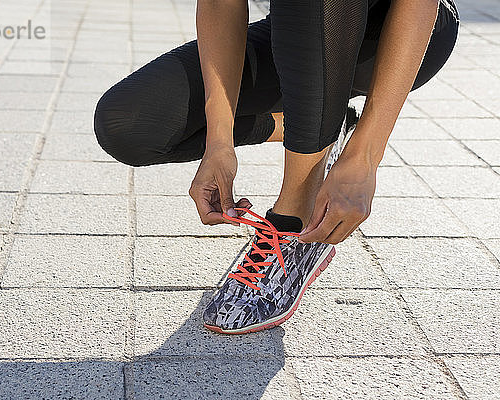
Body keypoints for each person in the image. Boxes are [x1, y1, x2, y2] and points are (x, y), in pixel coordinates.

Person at [94, 0, 459, 334]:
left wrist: (365, 156)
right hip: (299, 36)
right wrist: (218, 142)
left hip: (402, 34)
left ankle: (293, 224)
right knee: (128, 124)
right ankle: (324, 127)